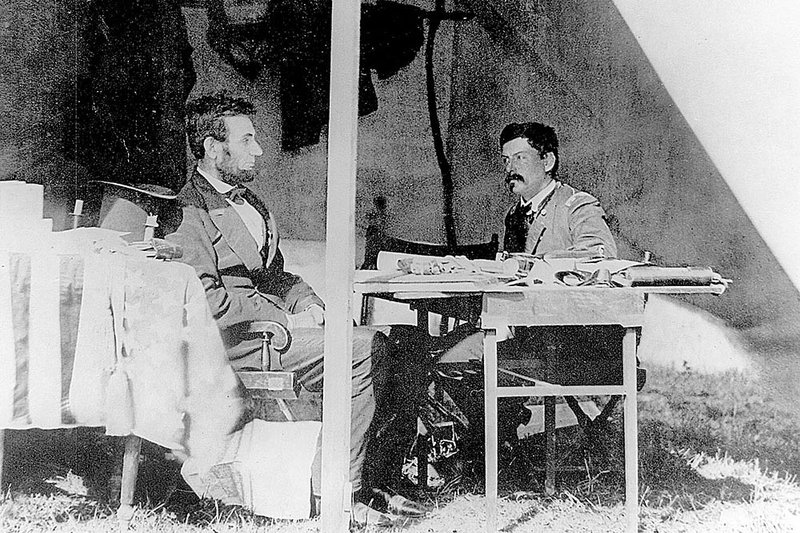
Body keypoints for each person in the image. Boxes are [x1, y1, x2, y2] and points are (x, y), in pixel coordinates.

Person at [164, 91, 425, 524]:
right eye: (246, 140)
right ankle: (338, 493)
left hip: (272, 331)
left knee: (409, 346)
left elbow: (277, 275)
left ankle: (380, 481)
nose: (259, 149)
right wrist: (281, 316)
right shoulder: (189, 211)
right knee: (364, 349)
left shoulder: (254, 205)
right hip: (237, 343)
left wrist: (305, 300)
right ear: (213, 148)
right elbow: (206, 300)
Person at [500, 121, 616, 258]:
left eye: (520, 158)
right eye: (506, 160)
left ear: (547, 161)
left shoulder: (578, 206)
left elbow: (599, 256)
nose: (509, 169)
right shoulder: (514, 213)